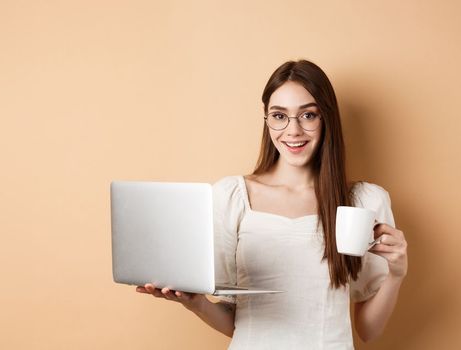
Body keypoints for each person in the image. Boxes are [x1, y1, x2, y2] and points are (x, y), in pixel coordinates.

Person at [135, 60, 408, 348]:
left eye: (308, 115)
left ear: (326, 118)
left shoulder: (364, 201)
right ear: (266, 119)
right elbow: (235, 322)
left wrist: (396, 274)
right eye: (279, 116)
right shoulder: (232, 197)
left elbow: (367, 329)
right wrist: (197, 303)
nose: (293, 131)